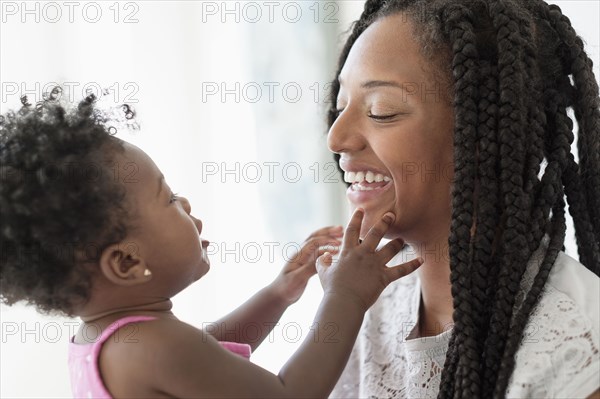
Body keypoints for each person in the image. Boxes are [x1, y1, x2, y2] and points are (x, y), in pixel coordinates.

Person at [0, 92, 424, 398]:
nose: (184, 202)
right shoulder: (156, 348)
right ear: (127, 262)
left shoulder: (106, 341)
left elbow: (210, 357)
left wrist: (278, 294)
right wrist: (346, 297)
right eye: (168, 198)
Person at [325, 0, 600, 398]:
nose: (335, 138)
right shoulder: (369, 302)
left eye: (381, 110)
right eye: (339, 106)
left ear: (485, 137)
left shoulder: (575, 350)